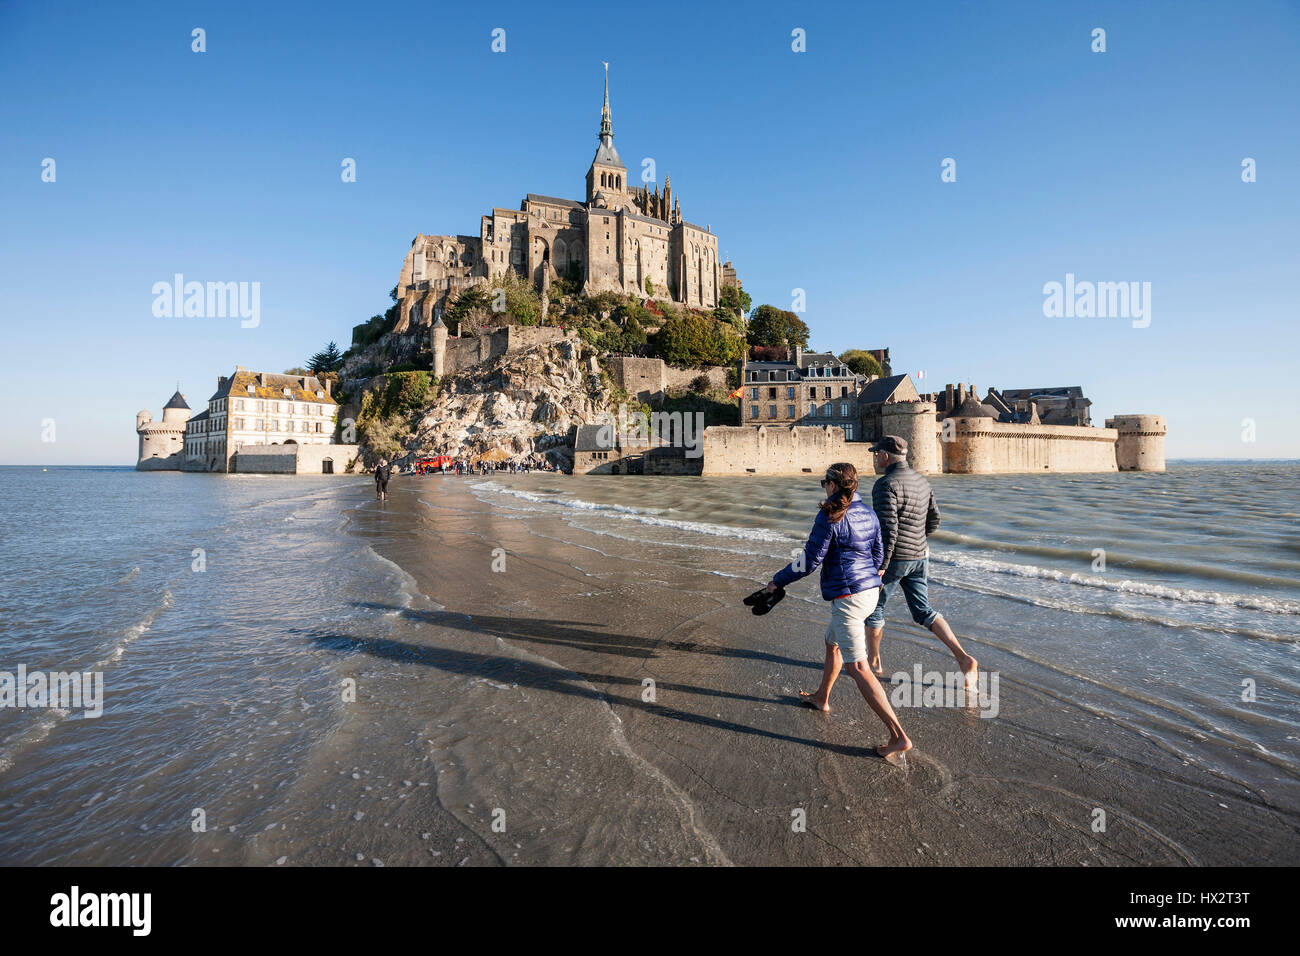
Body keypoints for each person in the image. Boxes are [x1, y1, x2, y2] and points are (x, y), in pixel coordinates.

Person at [765, 462, 912, 761]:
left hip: (849, 599)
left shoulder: (830, 514)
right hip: (870, 593)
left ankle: (898, 737)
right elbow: (880, 553)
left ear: (833, 485)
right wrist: (873, 577)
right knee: (832, 642)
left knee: (858, 668)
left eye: (824, 483)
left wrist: (777, 581)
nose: (824, 488)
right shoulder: (868, 513)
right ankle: (822, 698)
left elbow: (809, 560)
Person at [866, 436, 977, 690]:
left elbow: (888, 530)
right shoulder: (922, 481)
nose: (875, 458)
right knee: (924, 611)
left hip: (895, 559)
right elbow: (935, 519)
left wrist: (881, 564)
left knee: (875, 608)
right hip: (920, 555)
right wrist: (918, 537)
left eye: (876, 453)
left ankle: (875, 663)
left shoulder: (885, 485)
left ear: (885, 456)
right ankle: (963, 657)